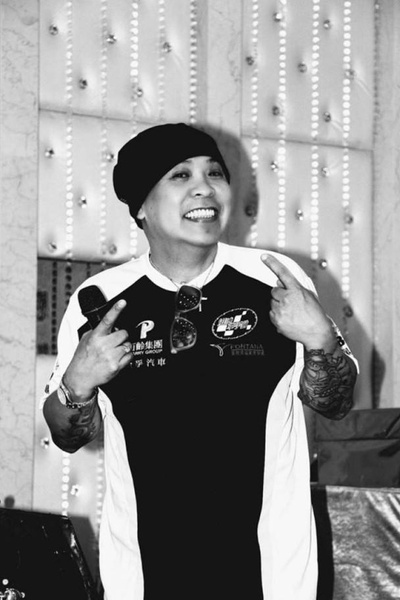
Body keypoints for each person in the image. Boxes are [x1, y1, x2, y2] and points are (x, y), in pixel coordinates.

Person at [42, 123, 358, 600]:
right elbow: (68, 435)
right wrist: (77, 384)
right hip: (142, 579)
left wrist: (320, 340)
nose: (204, 188)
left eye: (215, 173)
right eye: (180, 175)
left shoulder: (274, 277)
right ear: (141, 206)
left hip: (271, 577)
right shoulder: (99, 298)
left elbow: (335, 402)